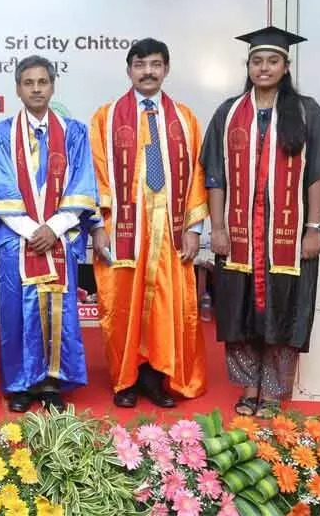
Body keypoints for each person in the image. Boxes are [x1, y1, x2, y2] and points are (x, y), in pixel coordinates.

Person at [200, 26, 320, 418]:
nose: (264, 68)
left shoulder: (306, 111)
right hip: (240, 233)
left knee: (284, 308)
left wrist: (313, 229)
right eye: (257, 61)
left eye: (272, 61)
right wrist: (217, 228)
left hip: (287, 235)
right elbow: (215, 175)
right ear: (247, 66)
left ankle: (274, 391)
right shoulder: (228, 113)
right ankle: (249, 387)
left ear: (286, 66)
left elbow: (316, 173)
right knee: (239, 310)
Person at [89, 38, 208, 409]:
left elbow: (198, 177)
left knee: (166, 307)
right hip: (125, 230)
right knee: (122, 305)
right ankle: (125, 379)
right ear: (129, 70)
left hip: (170, 233)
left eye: (155, 64)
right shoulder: (105, 118)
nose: (148, 71)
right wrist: (99, 227)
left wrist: (193, 229)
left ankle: (157, 377)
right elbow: (97, 175)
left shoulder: (185, 119)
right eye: (140, 64)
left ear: (166, 69)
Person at [0, 55, 96, 413]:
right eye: (28, 83)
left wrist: (55, 228)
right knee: (17, 311)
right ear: (18, 88)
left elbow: (82, 184)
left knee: (59, 310)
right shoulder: (1, 134)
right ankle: (20, 383)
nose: (35, 89)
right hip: (18, 239)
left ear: (52, 85)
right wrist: (34, 231)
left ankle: (51, 382)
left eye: (42, 82)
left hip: (60, 237)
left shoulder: (74, 132)